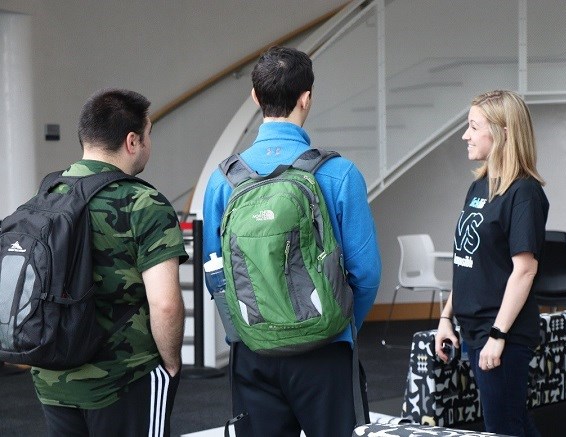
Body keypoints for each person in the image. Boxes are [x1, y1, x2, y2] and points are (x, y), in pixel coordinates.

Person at [202, 46, 381, 437]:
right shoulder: (339, 173)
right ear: (307, 98)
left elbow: (215, 273)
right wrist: (340, 325)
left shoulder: (224, 180)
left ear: (255, 97)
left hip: (253, 353)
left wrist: (246, 332)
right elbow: (366, 273)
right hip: (327, 351)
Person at [31, 88, 189, 437]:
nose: (149, 144)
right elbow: (165, 305)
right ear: (132, 141)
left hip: (51, 376)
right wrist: (172, 365)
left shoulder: (44, 196)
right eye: (149, 135)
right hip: (123, 378)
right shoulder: (143, 203)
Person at [435, 90, 548, 437]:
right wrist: (445, 318)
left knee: (502, 427)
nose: (465, 135)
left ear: (503, 132)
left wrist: (497, 336)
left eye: (473, 127)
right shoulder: (480, 186)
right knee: (509, 422)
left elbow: (525, 269)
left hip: (501, 332)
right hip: (473, 329)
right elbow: (466, 261)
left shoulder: (524, 193)